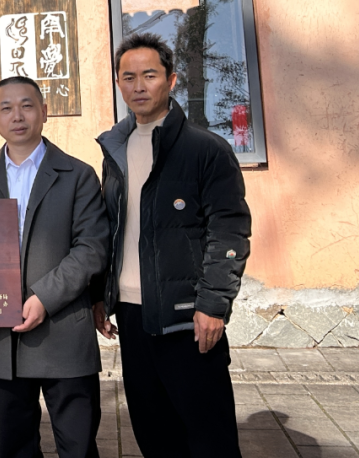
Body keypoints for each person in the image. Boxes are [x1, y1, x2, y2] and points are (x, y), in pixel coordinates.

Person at [93, 32, 252, 458]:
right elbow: (110, 229)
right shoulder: (115, 150)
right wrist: (100, 295)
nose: (138, 86)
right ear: (118, 83)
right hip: (132, 315)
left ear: (172, 80)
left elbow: (229, 229)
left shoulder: (206, 150)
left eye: (149, 75)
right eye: (128, 77)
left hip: (188, 317)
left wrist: (213, 304)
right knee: (154, 433)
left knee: (209, 437)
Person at [0, 76, 108, 458]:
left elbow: (91, 248)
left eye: (27, 106)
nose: (17, 116)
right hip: (0, 338)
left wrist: (44, 297)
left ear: (44, 112)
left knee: (77, 446)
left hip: (64, 333)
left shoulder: (78, 175)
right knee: (15, 446)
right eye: (6, 108)